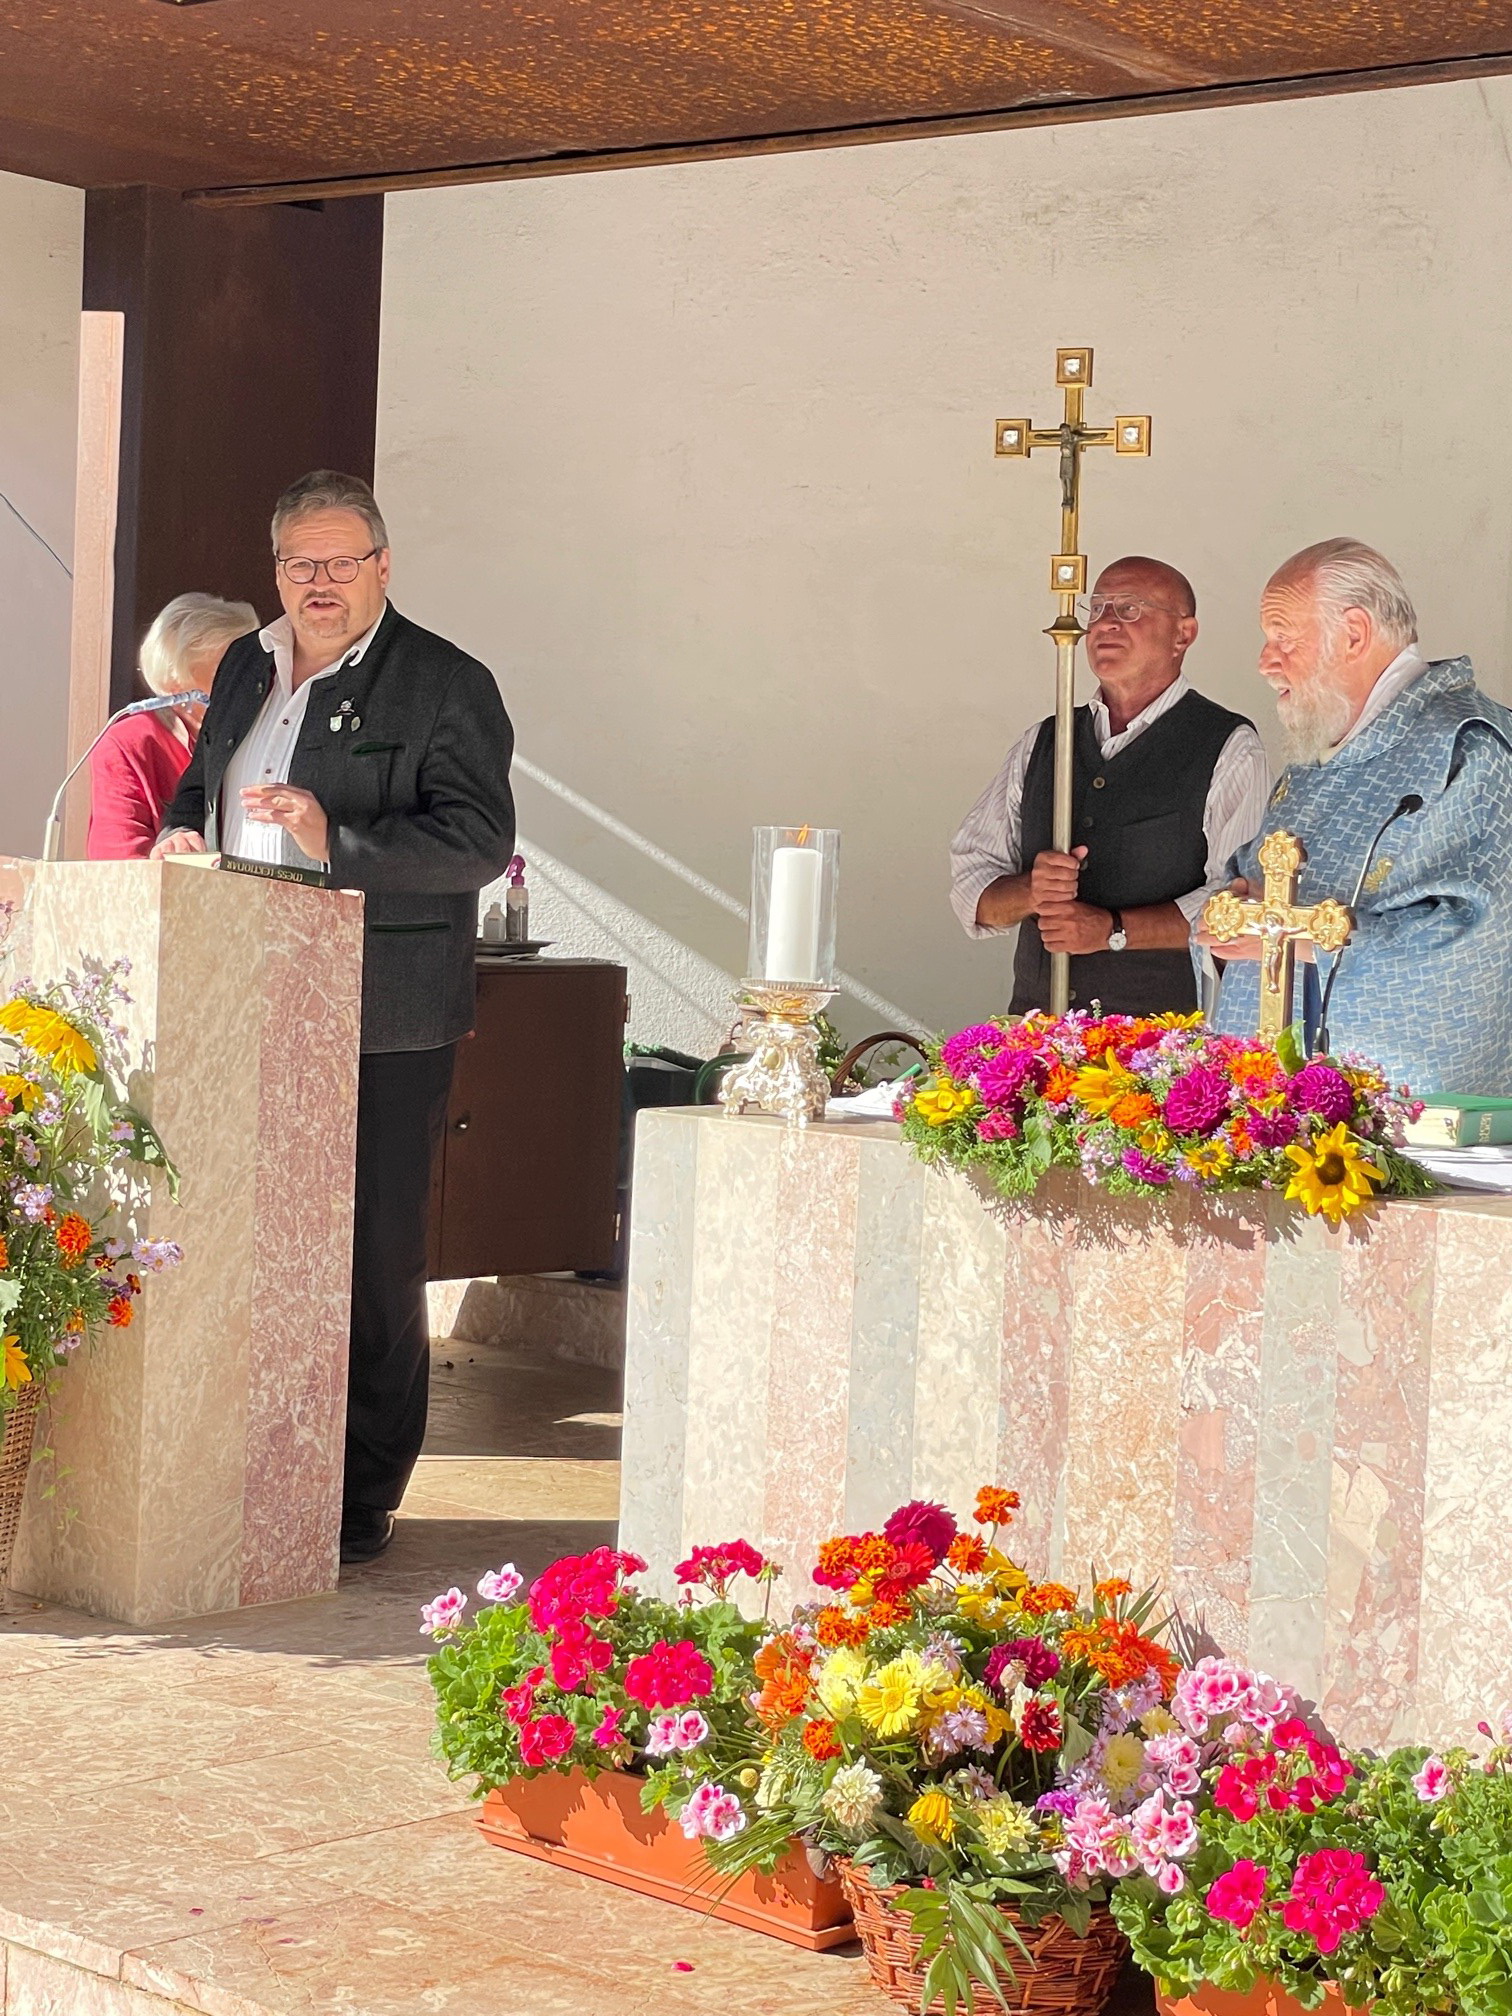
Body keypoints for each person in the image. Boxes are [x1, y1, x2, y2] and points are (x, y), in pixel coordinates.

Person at [153, 469, 516, 1561]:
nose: (320, 582)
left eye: (341, 561)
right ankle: (247, 1457)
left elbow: (477, 843)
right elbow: (200, 785)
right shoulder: (244, 669)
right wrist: (181, 831)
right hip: (237, 994)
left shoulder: (446, 682)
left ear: (383, 566)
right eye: (299, 563)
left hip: (381, 1011)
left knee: (371, 1253)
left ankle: (362, 1490)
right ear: (275, 572)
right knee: (244, 1236)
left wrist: (336, 841)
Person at [1209, 538, 1512, 1093]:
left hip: (1395, 1106)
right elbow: (1255, 882)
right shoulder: (1317, 751)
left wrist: (1294, 940)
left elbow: (1480, 935)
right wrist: (1232, 915)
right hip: (1271, 1093)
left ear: (1353, 633)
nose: (1265, 661)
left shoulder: (1467, 748)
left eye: (1283, 638)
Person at [950, 556, 1270, 1015]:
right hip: (1039, 1034)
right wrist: (1032, 891)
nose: (1106, 624)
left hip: (1159, 1041)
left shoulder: (1228, 745)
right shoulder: (1044, 741)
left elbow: (1238, 901)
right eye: (1097, 609)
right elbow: (972, 887)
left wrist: (1113, 930)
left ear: (1183, 634)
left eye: (1130, 609)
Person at [86, 593, 257, 859]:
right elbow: (118, 859)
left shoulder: (262, 732)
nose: (246, 682)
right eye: (227, 671)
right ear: (177, 683)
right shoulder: (130, 742)